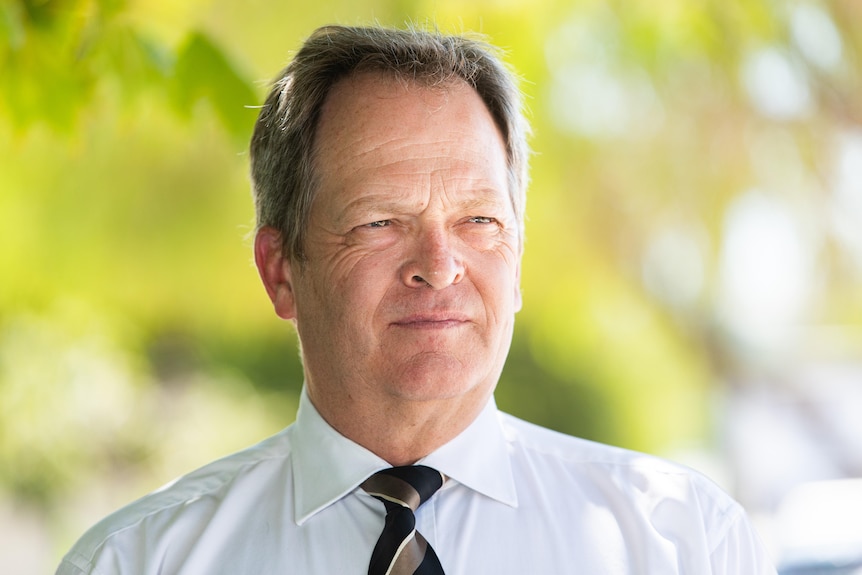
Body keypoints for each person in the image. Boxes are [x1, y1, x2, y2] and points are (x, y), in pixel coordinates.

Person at [56, 25, 777, 574]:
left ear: (517, 260)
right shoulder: (137, 560)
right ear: (280, 271)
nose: (439, 266)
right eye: (379, 222)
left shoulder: (681, 542)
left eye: (479, 221)